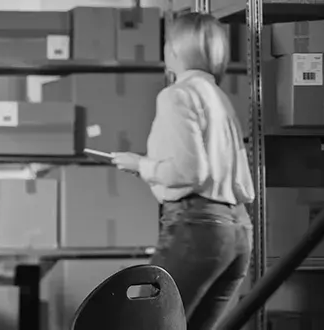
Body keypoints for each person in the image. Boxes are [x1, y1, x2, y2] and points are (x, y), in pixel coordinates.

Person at [111, 12, 255, 330]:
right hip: (238, 230)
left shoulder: (177, 94)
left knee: (150, 322)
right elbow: (236, 179)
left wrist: (141, 164)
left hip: (198, 226)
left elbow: (191, 171)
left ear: (176, 49)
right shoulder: (220, 98)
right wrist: (154, 170)